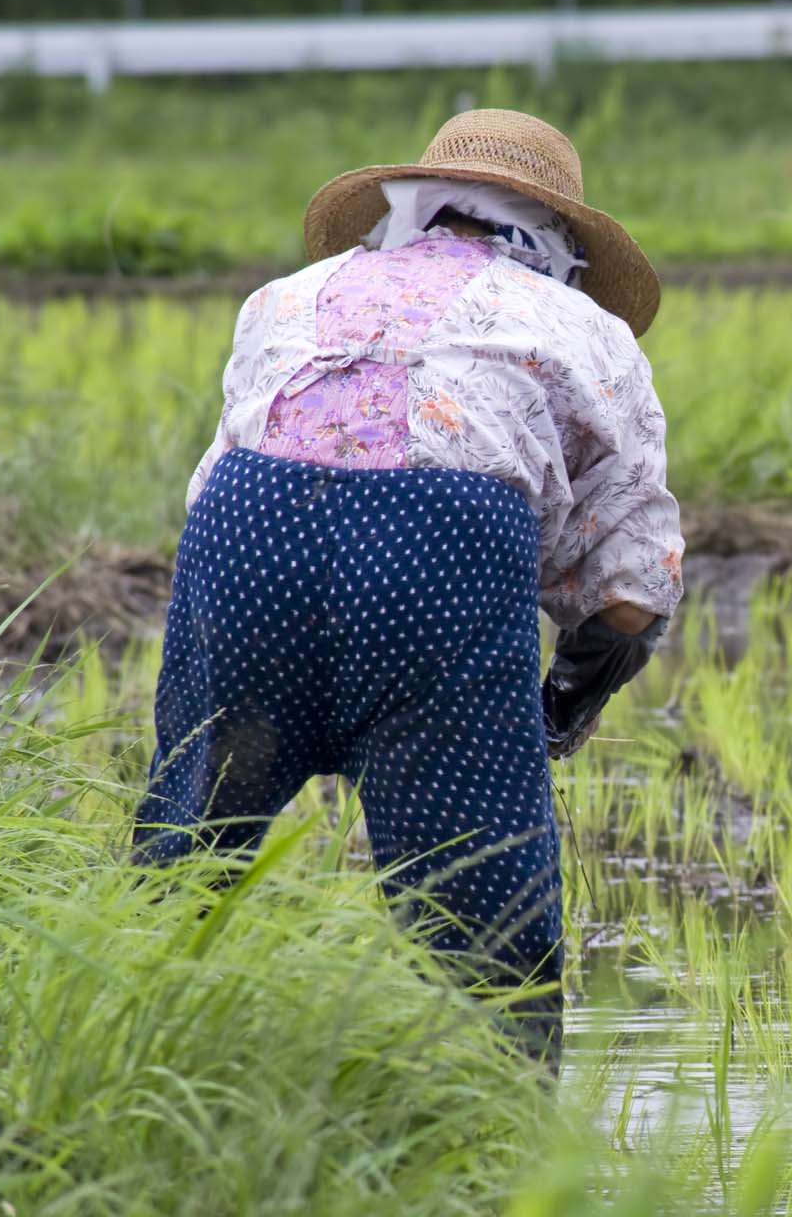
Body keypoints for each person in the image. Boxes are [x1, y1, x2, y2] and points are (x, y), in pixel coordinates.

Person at [132, 109, 684, 1069]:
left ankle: (131, 1076)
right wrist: (555, 712)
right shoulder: (586, 332)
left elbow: (208, 486)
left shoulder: (286, 298)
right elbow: (635, 592)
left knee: (185, 871)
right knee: (483, 926)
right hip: (433, 563)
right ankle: (501, 1149)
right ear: (561, 245)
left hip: (247, 537)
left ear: (416, 209)